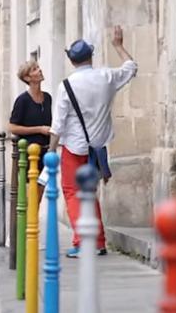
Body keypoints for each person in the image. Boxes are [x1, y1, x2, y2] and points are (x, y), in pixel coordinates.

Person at [49, 25, 138, 258]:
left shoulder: (66, 86)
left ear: (72, 61)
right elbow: (131, 67)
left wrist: (50, 152)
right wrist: (118, 45)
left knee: (72, 192)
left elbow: (57, 125)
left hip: (74, 148)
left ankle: (82, 241)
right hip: (98, 147)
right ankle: (98, 241)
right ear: (91, 55)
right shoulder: (107, 77)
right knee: (89, 194)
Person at [9, 60, 52, 203]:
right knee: (31, 194)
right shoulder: (22, 101)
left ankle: (32, 223)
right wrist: (39, 129)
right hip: (29, 154)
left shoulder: (48, 98)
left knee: (41, 193)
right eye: (35, 69)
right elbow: (12, 127)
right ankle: (28, 224)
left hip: (46, 153)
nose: (40, 70)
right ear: (27, 78)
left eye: (38, 67)